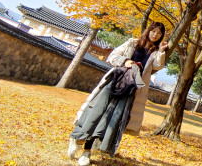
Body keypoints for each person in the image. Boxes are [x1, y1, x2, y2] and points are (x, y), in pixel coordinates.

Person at [66, 22, 168, 166]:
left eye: (159, 33)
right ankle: (78, 140)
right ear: (148, 31)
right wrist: (125, 61)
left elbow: (157, 65)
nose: (155, 35)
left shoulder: (155, 52)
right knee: (97, 113)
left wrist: (162, 51)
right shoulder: (133, 43)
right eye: (153, 31)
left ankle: (86, 153)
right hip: (115, 82)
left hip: (130, 89)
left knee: (109, 121)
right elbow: (112, 56)